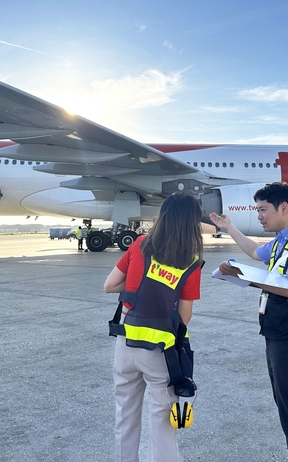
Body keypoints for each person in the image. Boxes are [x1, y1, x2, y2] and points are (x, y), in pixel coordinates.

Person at [209, 182, 288, 462]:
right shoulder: (283, 241)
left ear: (284, 208)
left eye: (263, 209)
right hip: (278, 333)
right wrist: (230, 228)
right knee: (287, 408)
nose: (259, 216)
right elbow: (255, 252)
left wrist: (243, 276)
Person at [104, 192, 204, 462]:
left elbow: (109, 286)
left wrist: (137, 288)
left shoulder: (139, 245)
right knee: (162, 423)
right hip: (161, 351)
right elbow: (184, 317)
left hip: (126, 342)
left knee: (125, 416)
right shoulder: (191, 261)